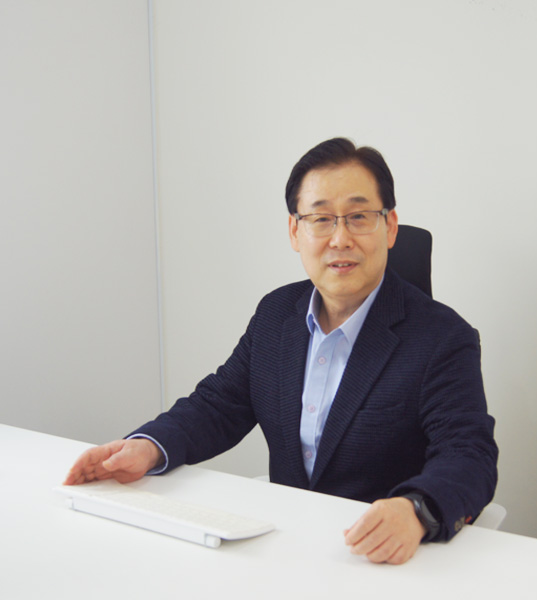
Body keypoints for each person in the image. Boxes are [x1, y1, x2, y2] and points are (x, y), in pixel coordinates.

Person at [65, 137, 498, 565]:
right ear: (295, 230)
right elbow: (219, 405)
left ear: (391, 227)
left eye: (359, 217)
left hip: (379, 560)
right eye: (321, 219)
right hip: (286, 549)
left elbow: (468, 455)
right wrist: (148, 447)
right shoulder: (277, 314)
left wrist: (417, 510)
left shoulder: (443, 338)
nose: (340, 238)